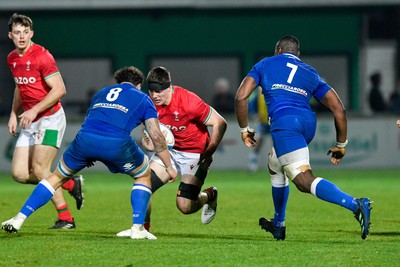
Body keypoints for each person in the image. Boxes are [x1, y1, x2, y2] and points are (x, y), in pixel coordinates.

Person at [2, 66, 178, 239]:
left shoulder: (101, 93)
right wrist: (169, 166)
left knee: (55, 177)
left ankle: (19, 218)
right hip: (116, 143)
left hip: (84, 140)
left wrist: (90, 153)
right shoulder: (142, 98)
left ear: (117, 82)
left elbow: (91, 120)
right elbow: (156, 136)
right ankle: (137, 228)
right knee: (144, 175)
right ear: (139, 85)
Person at [235, 35, 372, 240]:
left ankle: (356, 204)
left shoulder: (265, 64)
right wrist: (341, 144)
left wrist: (244, 129)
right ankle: (278, 224)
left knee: (302, 180)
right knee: (275, 162)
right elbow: (339, 110)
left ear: (278, 50)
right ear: (297, 54)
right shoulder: (310, 72)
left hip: (284, 123)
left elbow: (240, 96)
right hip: (307, 123)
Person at [116, 66, 227, 237]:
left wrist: (209, 151)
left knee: (185, 206)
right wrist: (149, 145)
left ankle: (209, 195)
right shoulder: (149, 102)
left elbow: (220, 123)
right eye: (151, 91)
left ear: (169, 87)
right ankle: (142, 230)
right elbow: (147, 136)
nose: (154, 95)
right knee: (143, 185)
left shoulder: (189, 101)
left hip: (194, 154)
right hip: (170, 152)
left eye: (159, 92)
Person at [6, 13, 83, 229]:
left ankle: (66, 218)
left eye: (25, 33)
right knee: (20, 174)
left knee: (40, 169)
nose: (22, 37)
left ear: (31, 33)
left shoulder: (42, 56)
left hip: (50, 118)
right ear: (10, 35)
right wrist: (14, 113)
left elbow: (60, 90)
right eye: (17, 33)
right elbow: (20, 88)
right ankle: (68, 182)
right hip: (30, 121)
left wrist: (34, 111)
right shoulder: (12, 58)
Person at [247, 87, 271, 172]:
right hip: (263, 121)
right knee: (259, 140)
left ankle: (279, 164)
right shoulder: (259, 90)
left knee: (277, 142)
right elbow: (251, 101)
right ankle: (253, 160)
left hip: (274, 120)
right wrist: (254, 113)